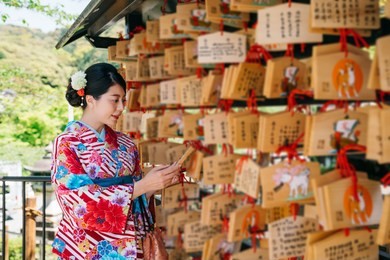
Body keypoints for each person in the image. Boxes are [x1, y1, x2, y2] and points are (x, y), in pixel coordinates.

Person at [51, 63, 180, 259]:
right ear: (90, 99)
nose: (121, 107)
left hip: (129, 245)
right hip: (87, 247)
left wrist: (153, 185)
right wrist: (143, 185)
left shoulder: (127, 144)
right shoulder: (68, 142)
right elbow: (79, 204)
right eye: (115, 100)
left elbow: (137, 198)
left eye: (123, 100)